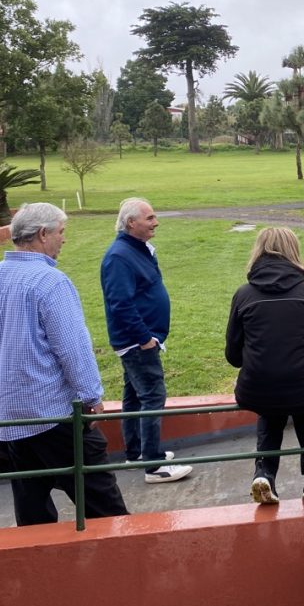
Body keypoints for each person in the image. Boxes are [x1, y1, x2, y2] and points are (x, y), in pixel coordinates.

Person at [0, 203, 129, 526]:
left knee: (32, 508)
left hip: (8, 415)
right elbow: (72, 348)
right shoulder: (50, 281)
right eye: (61, 231)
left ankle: (39, 557)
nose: (64, 239)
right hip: (53, 413)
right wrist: (92, 397)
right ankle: (126, 554)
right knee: (103, 504)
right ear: (43, 234)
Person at [226, 227, 304, 504]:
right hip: (303, 384)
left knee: (270, 400)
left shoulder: (243, 295)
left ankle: (264, 471)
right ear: (294, 251)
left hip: (258, 385)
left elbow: (233, 355)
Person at [100, 197, 192, 483]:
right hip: (137, 343)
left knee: (133, 396)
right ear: (131, 223)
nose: (156, 222)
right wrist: (145, 339)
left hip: (138, 340)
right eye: (150, 218)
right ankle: (154, 466)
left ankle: (136, 452)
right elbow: (120, 303)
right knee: (152, 396)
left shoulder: (135, 250)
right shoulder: (119, 256)